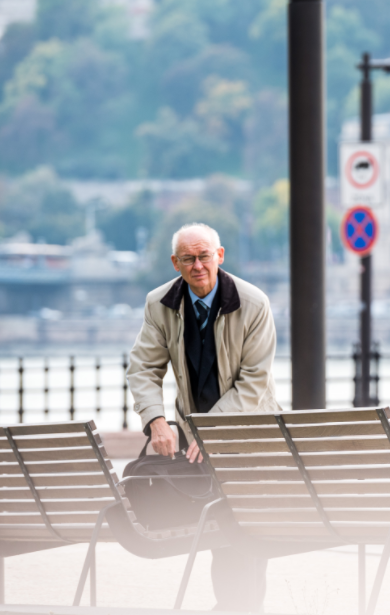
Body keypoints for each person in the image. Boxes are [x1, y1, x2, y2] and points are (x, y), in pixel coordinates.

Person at [127, 223, 281, 611]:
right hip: (196, 440)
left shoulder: (254, 303)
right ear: (175, 262)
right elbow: (143, 368)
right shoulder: (158, 303)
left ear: (220, 256)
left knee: (243, 528)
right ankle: (235, 607)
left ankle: (236, 607)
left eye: (205, 256)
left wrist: (208, 431)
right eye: (189, 259)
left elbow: (254, 383)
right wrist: (156, 421)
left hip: (248, 435)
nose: (198, 265)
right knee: (220, 528)